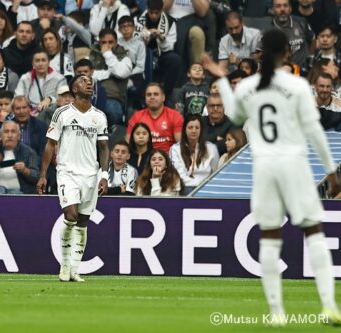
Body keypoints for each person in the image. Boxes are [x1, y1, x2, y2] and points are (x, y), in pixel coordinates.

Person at [202, 28, 341, 326]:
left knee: (268, 236)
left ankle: (277, 313)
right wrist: (331, 169)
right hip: (293, 162)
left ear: (261, 53)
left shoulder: (249, 85)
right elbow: (315, 130)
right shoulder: (298, 85)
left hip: (264, 165)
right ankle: (328, 305)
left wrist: (223, 80)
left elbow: (236, 117)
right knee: (314, 231)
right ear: (287, 54)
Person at [36, 74, 109, 282]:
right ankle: (65, 265)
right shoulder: (62, 114)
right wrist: (43, 175)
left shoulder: (99, 116)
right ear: (74, 89)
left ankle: (75, 269)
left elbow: (103, 147)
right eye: (84, 81)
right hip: (67, 172)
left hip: (90, 174)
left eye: (90, 81)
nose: (89, 83)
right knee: (71, 215)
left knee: (83, 221)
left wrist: (104, 175)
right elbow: (50, 144)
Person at [169, 113, 219, 194]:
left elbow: (215, 172)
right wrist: (196, 186)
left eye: (197, 128)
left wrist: (204, 186)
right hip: (185, 187)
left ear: (201, 130)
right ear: (184, 130)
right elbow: (179, 174)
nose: (194, 131)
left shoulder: (211, 148)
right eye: (190, 127)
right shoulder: (175, 149)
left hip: (206, 188)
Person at [126, 82, 183, 152]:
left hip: (168, 159)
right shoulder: (137, 117)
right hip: (143, 158)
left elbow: (180, 145)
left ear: (163, 97)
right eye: (149, 95)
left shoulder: (175, 116)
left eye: (156, 94)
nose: (152, 97)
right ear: (145, 98)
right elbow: (128, 144)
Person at [0, 120, 40, 194]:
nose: (9, 135)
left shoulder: (29, 152)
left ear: (19, 136)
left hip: (20, 193)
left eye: (13, 132)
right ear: (1, 135)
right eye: (6, 131)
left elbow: (36, 177)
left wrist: (25, 170)